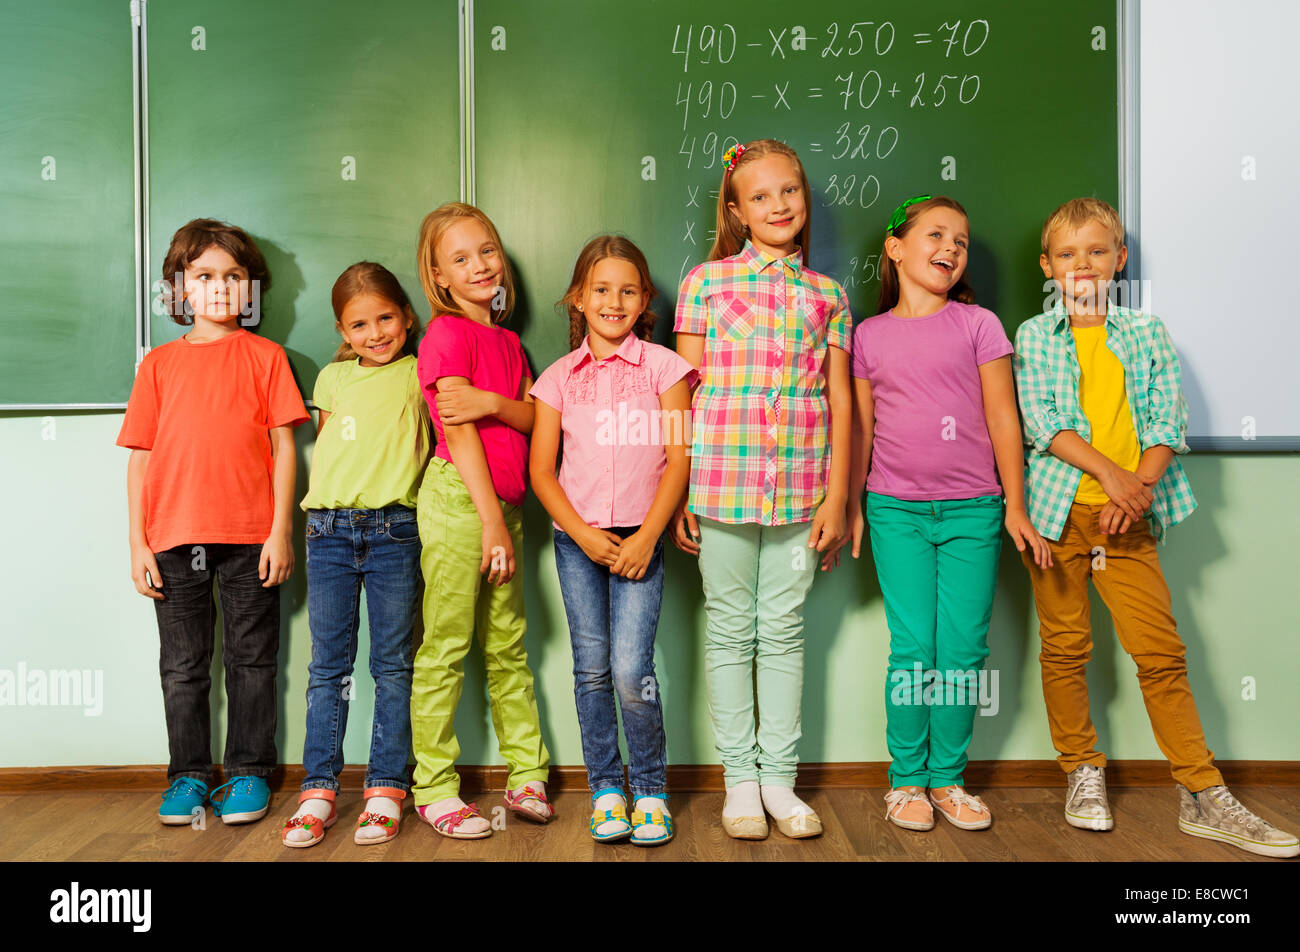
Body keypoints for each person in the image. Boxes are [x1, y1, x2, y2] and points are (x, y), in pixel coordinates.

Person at [1014, 197, 1298, 857]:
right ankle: (1081, 769)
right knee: (1065, 649)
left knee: (1160, 654)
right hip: (1059, 515)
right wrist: (1113, 478)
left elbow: (1167, 420)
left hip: (1129, 517)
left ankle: (1201, 790)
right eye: (1066, 254)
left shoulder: (1146, 332)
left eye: (1095, 251)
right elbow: (1043, 423)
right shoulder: (1033, 335)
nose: (1081, 265)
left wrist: (1135, 487)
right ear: (1047, 267)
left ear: (1120, 258)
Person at [847, 195, 1050, 833]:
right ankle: (906, 779)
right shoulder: (867, 335)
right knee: (914, 648)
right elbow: (862, 430)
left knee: (962, 650)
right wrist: (854, 506)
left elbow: (1001, 418)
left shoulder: (979, 325)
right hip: (895, 511)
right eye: (937, 235)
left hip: (973, 510)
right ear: (896, 247)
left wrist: (1015, 503)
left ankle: (948, 779)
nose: (951, 249)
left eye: (961, 241)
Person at [672, 139, 851, 840]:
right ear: (737, 210)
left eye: (791, 192)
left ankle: (780, 781)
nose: (779, 206)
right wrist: (679, 487)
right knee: (728, 629)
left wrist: (838, 497)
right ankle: (738, 782)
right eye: (762, 196)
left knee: (783, 631)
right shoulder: (705, 283)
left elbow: (839, 400)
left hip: (802, 487)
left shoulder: (829, 295)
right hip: (720, 482)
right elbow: (680, 393)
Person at [119, 218, 308, 825]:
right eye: (204, 276)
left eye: (234, 276)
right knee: (182, 665)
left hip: (250, 537)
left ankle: (250, 771)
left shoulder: (268, 357)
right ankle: (189, 775)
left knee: (252, 660)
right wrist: (137, 544)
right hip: (173, 539)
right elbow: (140, 459)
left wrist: (281, 530)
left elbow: (286, 450)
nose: (221, 287)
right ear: (180, 289)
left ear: (252, 289)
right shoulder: (158, 366)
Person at [530, 236, 695, 845]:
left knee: (631, 669)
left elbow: (678, 458)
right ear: (578, 297)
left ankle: (650, 787)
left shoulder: (667, 370)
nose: (614, 300)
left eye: (628, 290)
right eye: (601, 289)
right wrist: (584, 536)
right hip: (579, 544)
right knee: (592, 668)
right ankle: (606, 787)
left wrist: (647, 538)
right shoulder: (556, 380)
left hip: (641, 541)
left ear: (645, 298)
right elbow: (541, 471)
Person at [409, 202, 550, 839]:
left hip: (506, 511)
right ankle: (434, 787)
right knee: (446, 646)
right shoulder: (444, 334)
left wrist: (497, 400)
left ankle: (528, 773)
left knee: (507, 646)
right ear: (439, 276)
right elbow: (458, 433)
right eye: (460, 259)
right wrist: (491, 522)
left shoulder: (510, 343)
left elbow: (534, 420)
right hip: (462, 505)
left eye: (486, 250)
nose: (479, 266)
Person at [282, 263, 429, 848]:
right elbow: (327, 450)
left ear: (407, 317)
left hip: (397, 528)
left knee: (393, 664)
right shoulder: (333, 380)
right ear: (344, 329)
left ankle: (387, 786)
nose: (376, 333)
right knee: (328, 666)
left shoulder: (422, 373)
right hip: (329, 531)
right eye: (360, 324)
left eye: (386, 318)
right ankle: (319, 787)